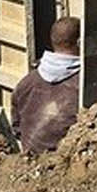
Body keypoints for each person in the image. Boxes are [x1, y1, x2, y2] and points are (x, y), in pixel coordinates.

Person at [11, 16, 81, 153]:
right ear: (80, 42)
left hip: (29, 161)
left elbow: (16, 128)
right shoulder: (83, 86)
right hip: (64, 164)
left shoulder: (25, 84)